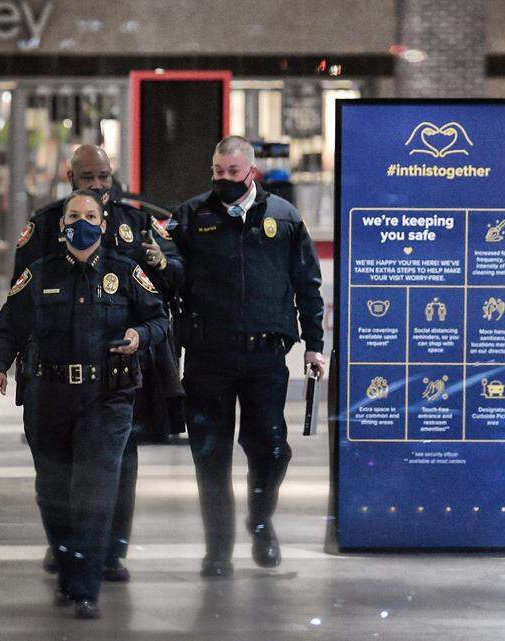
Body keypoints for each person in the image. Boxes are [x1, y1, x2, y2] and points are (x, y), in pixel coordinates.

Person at [0, 189, 169, 619]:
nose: (82, 221)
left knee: (93, 492)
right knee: (52, 492)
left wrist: (139, 337)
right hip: (48, 397)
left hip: (106, 400)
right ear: (62, 224)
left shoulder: (126, 273)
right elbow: (7, 329)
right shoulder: (37, 273)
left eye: (91, 215)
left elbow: (159, 319)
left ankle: (86, 588)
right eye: (74, 215)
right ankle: (70, 571)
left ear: (103, 226)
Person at [11, 144, 183, 582]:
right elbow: (21, 296)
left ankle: (110, 552)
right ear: (71, 177)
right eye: (88, 178)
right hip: (56, 368)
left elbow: (176, 275)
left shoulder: (137, 221)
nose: (98, 186)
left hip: (123, 370)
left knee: (120, 463)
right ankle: (68, 544)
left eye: (104, 176)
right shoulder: (47, 223)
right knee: (57, 468)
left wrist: (161, 262)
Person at [170, 136, 325, 578]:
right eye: (217, 172)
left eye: (232, 173)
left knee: (272, 449)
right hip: (208, 356)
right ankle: (218, 548)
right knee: (210, 454)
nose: (223, 180)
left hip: (264, 357)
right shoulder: (193, 214)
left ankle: (261, 523)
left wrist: (313, 343)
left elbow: (306, 284)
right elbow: (166, 266)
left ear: (251, 171)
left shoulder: (283, 217)